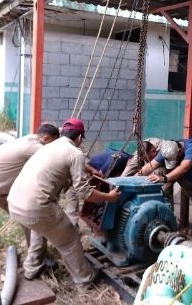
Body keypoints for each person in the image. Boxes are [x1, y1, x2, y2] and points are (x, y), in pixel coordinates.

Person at [8, 118, 121, 288]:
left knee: (40, 227)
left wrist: (88, 171)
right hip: (36, 206)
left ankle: (32, 268)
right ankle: (85, 279)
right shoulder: (75, 153)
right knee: (69, 237)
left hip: (15, 202)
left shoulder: (48, 146)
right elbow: (84, 192)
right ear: (80, 137)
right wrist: (110, 197)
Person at [0, 123, 60, 243]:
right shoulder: (32, 146)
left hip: (3, 191)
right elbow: (57, 159)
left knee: (30, 219)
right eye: (53, 143)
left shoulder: (27, 140)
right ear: (45, 138)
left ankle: (35, 253)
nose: (52, 147)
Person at [139, 139, 192, 245]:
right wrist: (136, 176)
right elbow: (151, 165)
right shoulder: (168, 149)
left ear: (179, 151)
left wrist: (163, 178)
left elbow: (183, 168)